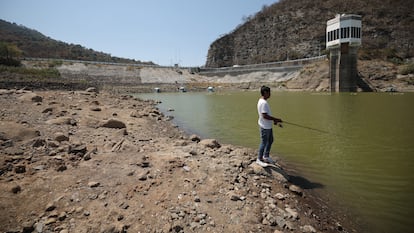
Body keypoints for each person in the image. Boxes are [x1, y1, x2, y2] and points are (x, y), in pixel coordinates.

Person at [256, 86, 282, 166]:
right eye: (269, 92)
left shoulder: (262, 101)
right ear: (265, 93)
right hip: (265, 127)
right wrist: (276, 119)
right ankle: (259, 159)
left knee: (270, 140)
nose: (270, 94)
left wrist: (274, 120)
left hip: (267, 126)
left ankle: (266, 156)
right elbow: (264, 116)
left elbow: (266, 115)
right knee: (264, 142)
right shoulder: (263, 103)